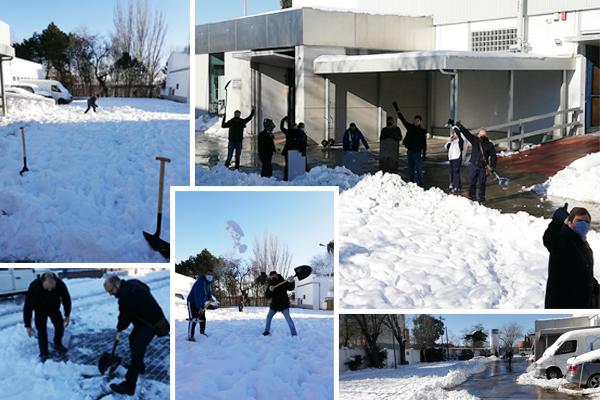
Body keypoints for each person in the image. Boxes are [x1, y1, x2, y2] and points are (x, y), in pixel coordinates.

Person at [104, 274, 169, 396]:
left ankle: (129, 385)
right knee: (132, 338)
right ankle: (139, 366)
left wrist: (120, 328)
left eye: (111, 291)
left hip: (151, 324)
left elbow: (125, 316)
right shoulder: (132, 283)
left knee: (138, 349)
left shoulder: (125, 296)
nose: (110, 294)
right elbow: (146, 287)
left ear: (117, 284)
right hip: (144, 322)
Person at [544, 205, 596, 309]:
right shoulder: (564, 239)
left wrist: (595, 287)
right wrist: (556, 223)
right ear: (569, 222)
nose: (584, 225)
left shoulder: (583, 245)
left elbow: (584, 272)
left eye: (586, 222)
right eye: (579, 221)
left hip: (581, 302)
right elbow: (550, 240)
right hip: (563, 302)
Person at [23, 272, 71, 362]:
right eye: (47, 288)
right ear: (42, 282)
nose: (50, 290)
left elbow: (66, 299)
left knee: (60, 326)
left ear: (55, 282)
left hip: (54, 308)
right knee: (41, 331)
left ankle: (57, 343)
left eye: (52, 288)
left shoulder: (60, 284)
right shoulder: (34, 286)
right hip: (40, 310)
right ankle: (44, 353)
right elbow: (27, 307)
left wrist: (67, 315)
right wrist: (27, 325)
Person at [456, 121, 497, 204]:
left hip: (483, 167)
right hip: (474, 165)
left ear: (486, 135)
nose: (482, 136)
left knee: (482, 184)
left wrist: (492, 166)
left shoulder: (490, 145)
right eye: (481, 134)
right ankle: (472, 197)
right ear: (478, 135)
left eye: (483, 135)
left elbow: (494, 156)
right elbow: (467, 134)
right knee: (472, 182)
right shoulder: (475, 141)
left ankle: (481, 199)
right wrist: (461, 127)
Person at [392, 101, 427, 186]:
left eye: (417, 120)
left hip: (417, 152)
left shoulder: (422, 131)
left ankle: (421, 183)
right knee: (410, 168)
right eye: (415, 120)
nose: (416, 121)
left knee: (418, 168)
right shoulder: (410, 127)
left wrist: (424, 154)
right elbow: (402, 119)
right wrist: (397, 108)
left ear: (420, 122)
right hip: (410, 151)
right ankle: (411, 183)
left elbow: (424, 143)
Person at [263, 271, 297, 337]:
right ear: (270, 277)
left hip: (284, 304)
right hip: (274, 305)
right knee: (269, 317)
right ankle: (267, 330)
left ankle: (294, 333)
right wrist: (270, 290)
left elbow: (291, 288)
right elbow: (267, 296)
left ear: (276, 275)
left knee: (288, 319)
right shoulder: (270, 285)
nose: (273, 277)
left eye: (274, 275)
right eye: (271, 276)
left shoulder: (283, 281)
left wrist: (292, 281)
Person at [186, 270, 216, 341]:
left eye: (211, 275)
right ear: (205, 275)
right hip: (192, 302)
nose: (209, 276)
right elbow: (197, 296)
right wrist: (199, 308)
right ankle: (190, 336)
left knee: (202, 318)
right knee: (193, 319)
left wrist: (210, 298)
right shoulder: (200, 282)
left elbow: (208, 293)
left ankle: (202, 332)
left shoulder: (208, 284)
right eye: (208, 274)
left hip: (201, 302)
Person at [280, 116, 308, 181]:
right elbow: (303, 143)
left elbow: (282, 128)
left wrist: (283, 120)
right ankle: (300, 176)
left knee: (288, 165)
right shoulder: (300, 133)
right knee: (297, 165)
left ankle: (286, 177)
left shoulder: (289, 132)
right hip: (296, 151)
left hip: (288, 151)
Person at [445, 125, 464, 193]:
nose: (453, 134)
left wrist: (454, 127)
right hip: (451, 158)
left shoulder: (460, 140)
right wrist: (450, 140)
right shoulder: (452, 141)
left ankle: (456, 186)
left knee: (456, 172)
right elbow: (446, 147)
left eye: (455, 133)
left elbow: (461, 146)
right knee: (451, 171)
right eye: (453, 133)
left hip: (457, 158)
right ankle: (453, 184)